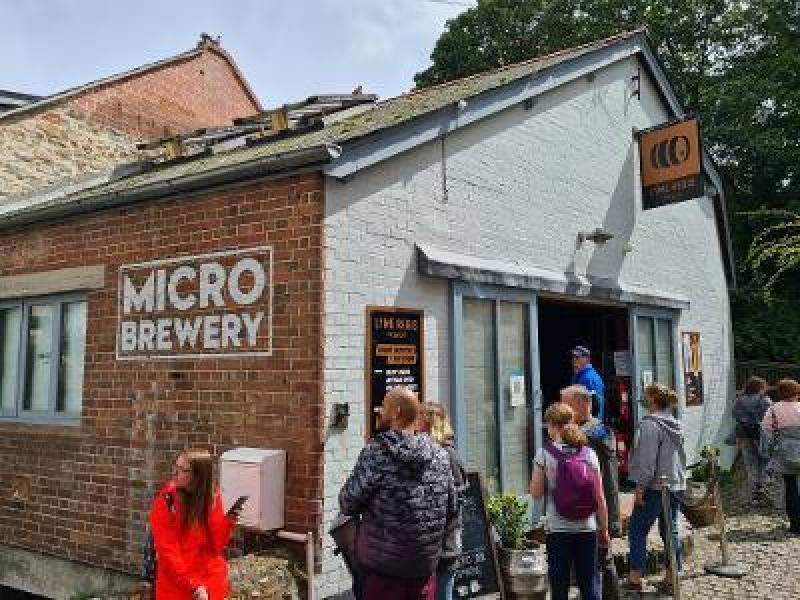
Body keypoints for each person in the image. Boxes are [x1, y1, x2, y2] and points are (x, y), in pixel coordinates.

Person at [340, 387, 457, 600]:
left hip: (384, 574)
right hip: (423, 573)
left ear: (396, 413)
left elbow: (348, 502)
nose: (379, 411)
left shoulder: (377, 452)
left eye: (384, 407)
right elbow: (452, 508)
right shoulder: (440, 455)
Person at [530, 402, 610, 600]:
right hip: (587, 527)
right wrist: (604, 530)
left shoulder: (544, 454)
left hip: (558, 530)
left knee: (559, 585)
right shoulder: (589, 453)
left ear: (553, 426)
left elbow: (536, 493)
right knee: (589, 583)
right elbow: (600, 497)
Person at [150, 449, 244, 600]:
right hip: (178, 587)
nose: (175, 473)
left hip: (211, 583)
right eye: (175, 466)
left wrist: (228, 521)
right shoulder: (166, 502)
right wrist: (193, 585)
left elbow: (216, 546)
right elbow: (168, 553)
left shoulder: (212, 498)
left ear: (198, 476)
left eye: (183, 470)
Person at [561, 385, 621, 599]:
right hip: (606, 506)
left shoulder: (583, 437)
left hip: (592, 510)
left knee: (593, 564)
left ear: (579, 405)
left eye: (565, 404)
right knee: (605, 559)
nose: (562, 409)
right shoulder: (603, 429)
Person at [625, 384, 686, 592]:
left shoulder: (650, 425)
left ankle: (635, 577)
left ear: (652, 399)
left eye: (645, 395)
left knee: (637, 529)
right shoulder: (675, 423)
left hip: (655, 487)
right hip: (675, 484)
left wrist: (640, 487)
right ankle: (672, 575)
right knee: (670, 530)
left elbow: (647, 461)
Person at [416, 402, 468, 600]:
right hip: (428, 548)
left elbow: (456, 501)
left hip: (444, 547)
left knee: (443, 593)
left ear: (428, 424)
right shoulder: (428, 453)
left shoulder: (448, 455)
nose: (415, 425)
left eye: (419, 420)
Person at [761, 378, 800, 535]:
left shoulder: (773, 409)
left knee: (790, 488)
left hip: (784, 453)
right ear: (796, 392)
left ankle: (795, 525)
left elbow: (766, 430)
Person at [733, 376, 772, 503]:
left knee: (751, 463)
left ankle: (755, 490)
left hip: (744, 434)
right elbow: (771, 418)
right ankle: (763, 486)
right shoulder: (765, 400)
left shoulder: (740, 400)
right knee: (765, 460)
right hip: (761, 434)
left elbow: (735, 416)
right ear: (760, 387)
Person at [571, 346, 606, 423]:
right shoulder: (578, 376)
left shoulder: (590, 378)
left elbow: (597, 405)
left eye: (577, 357)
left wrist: (593, 424)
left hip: (589, 425)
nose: (574, 360)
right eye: (573, 357)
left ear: (587, 359)